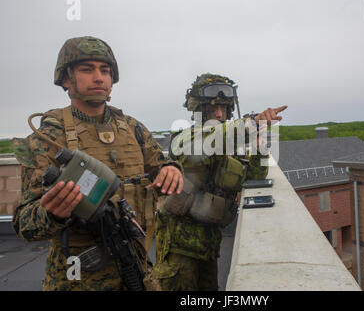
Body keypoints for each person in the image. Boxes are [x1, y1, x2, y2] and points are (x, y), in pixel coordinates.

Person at [12, 36, 183, 291]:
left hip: (136, 266)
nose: (99, 77)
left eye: (105, 71)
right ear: (67, 79)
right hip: (77, 280)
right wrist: (51, 212)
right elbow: (24, 224)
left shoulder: (133, 128)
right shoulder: (49, 137)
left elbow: (162, 165)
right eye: (87, 69)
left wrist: (171, 169)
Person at [152, 73, 287, 290]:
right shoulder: (185, 138)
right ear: (199, 111)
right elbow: (207, 143)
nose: (219, 113)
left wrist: (259, 142)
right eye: (212, 109)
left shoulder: (230, 143)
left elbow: (254, 176)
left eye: (223, 108)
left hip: (209, 244)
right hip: (179, 245)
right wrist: (251, 123)